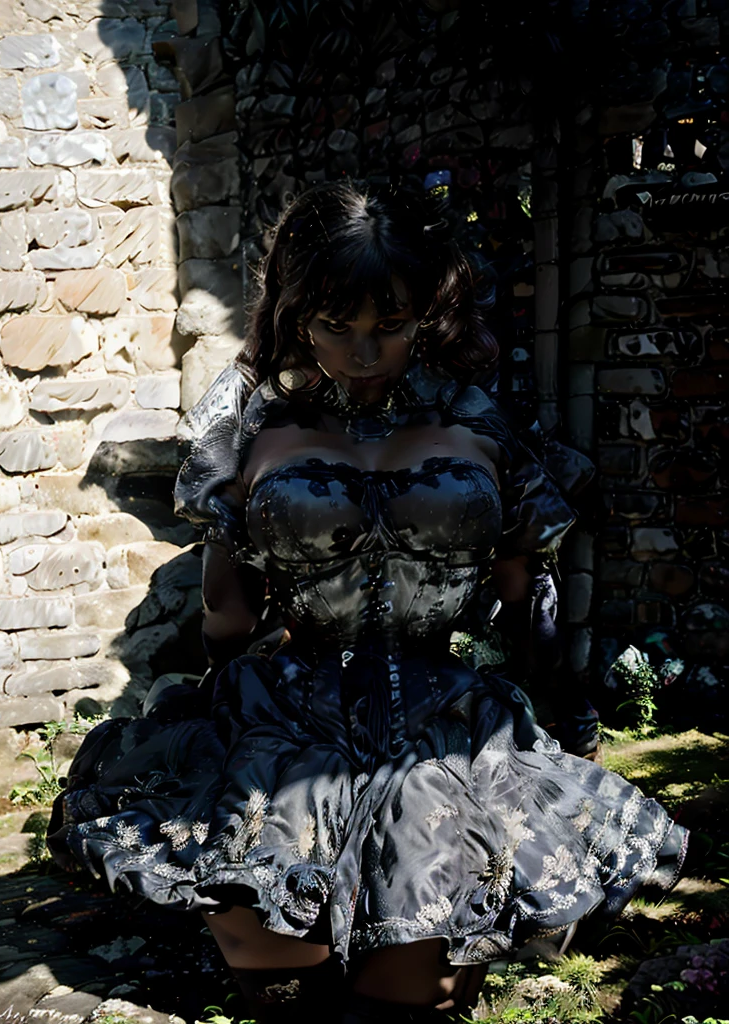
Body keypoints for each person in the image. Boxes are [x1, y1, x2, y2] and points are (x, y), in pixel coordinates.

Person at [47, 180, 689, 1024]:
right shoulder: (257, 425)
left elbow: (517, 589)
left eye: (389, 327)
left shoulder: (469, 424)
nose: (361, 353)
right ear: (295, 314)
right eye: (333, 327)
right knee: (290, 978)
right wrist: (220, 704)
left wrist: (538, 718)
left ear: (429, 314)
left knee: (397, 986)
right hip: (291, 718)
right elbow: (233, 614)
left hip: (440, 723)